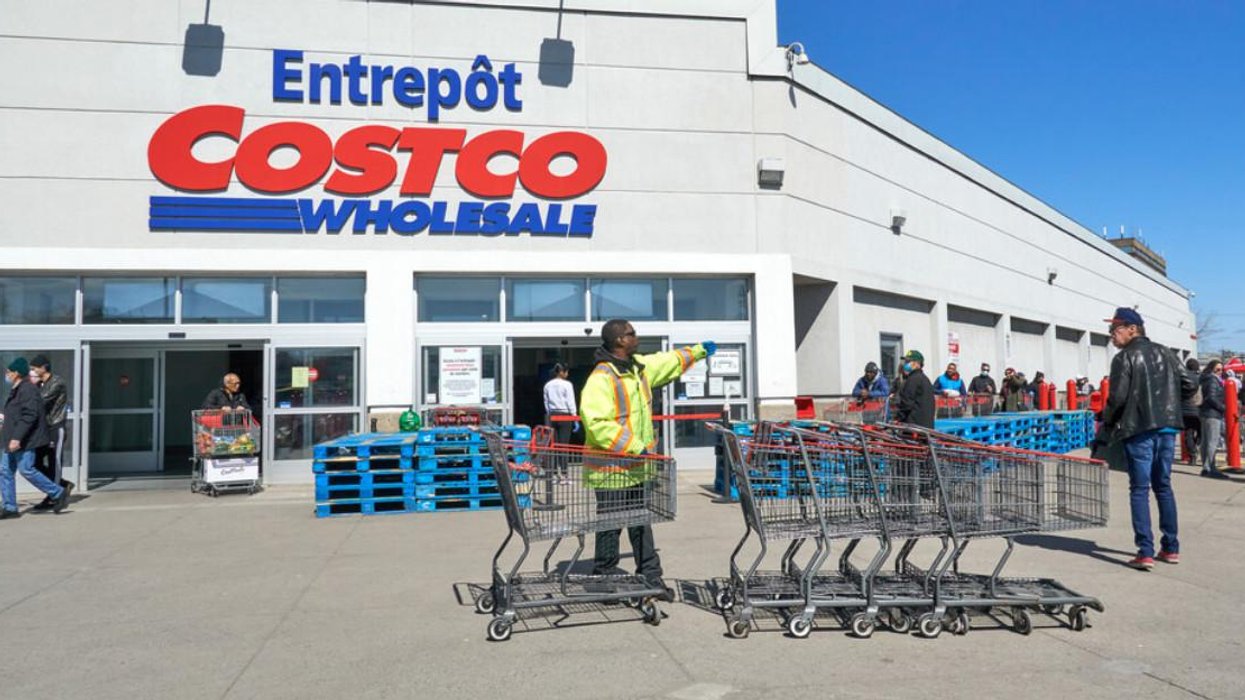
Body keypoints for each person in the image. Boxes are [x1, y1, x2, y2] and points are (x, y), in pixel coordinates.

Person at [580, 319, 712, 601]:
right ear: (619, 341)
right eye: (631, 333)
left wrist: (699, 351)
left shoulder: (638, 368)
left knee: (641, 524)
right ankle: (603, 575)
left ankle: (651, 575)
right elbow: (597, 422)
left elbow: (668, 361)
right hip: (610, 469)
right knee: (611, 525)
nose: (636, 336)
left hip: (637, 468)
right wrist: (634, 446)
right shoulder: (601, 378)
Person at [1094, 307, 1195, 570]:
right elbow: (1190, 383)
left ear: (1132, 329)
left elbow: (1117, 398)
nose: (1112, 337)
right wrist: (1169, 403)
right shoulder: (1167, 353)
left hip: (1138, 429)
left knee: (1139, 489)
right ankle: (1171, 548)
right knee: (1163, 486)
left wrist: (1107, 420)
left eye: (1115, 331)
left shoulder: (1124, 358)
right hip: (1167, 429)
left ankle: (1145, 551)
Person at [0, 358, 71, 518]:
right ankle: (10, 507)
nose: (6, 374)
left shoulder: (28, 390)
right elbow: (15, 414)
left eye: (9, 371)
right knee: (5, 471)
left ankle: (58, 493)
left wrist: (17, 438)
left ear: (16, 373)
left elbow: (30, 416)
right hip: (11, 437)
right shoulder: (16, 389)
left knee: (27, 469)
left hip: (25, 440)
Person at [29, 354, 71, 511]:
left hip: (55, 427)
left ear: (43, 368)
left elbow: (40, 400)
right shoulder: (40, 383)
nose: (32, 371)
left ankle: (54, 496)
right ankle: (62, 485)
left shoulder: (56, 382)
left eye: (34, 368)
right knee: (35, 463)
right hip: (43, 429)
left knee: (55, 463)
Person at [1198, 360, 1229, 479]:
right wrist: (1223, 408)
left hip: (1204, 413)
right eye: (1218, 369)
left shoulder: (1204, 378)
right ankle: (1210, 467)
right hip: (1213, 414)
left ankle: (1206, 467)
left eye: (1222, 370)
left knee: (1205, 441)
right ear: (1211, 369)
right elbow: (1211, 397)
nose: (1220, 372)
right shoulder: (1212, 380)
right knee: (1212, 442)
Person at [893, 350, 934, 429]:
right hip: (926, 426)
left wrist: (898, 418)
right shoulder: (924, 379)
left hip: (914, 427)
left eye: (908, 361)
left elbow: (907, 403)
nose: (905, 364)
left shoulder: (913, 379)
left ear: (916, 363)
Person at [542, 362, 578, 444]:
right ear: (562, 372)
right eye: (567, 372)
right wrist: (574, 417)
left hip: (552, 415)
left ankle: (554, 457)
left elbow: (546, 402)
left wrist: (549, 413)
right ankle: (563, 457)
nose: (567, 374)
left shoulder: (547, 385)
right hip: (564, 416)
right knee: (563, 444)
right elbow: (570, 401)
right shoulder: (567, 385)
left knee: (553, 443)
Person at [1181, 359, 1202, 467]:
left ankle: (1192, 455)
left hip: (1184, 409)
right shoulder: (1199, 379)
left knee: (1188, 433)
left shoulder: (1182, 378)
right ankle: (1198, 447)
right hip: (1197, 408)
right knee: (1201, 431)